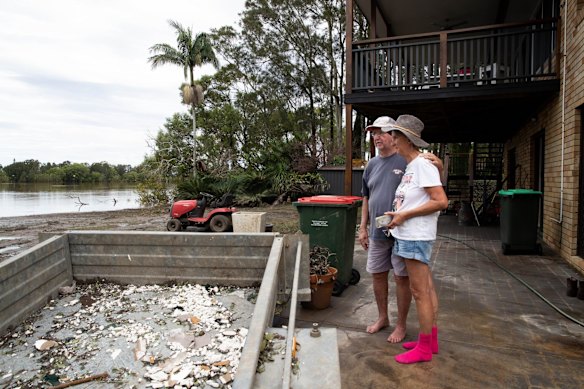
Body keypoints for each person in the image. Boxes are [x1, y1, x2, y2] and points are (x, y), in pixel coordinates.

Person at [358, 116, 442, 343]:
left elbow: (436, 192)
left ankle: (402, 325)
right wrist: (362, 227)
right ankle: (383, 317)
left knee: (406, 281)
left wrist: (440, 165)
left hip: (404, 233)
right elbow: (366, 197)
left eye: (383, 132)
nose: (378, 137)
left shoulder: (411, 160)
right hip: (379, 231)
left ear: (397, 137)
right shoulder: (372, 165)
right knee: (378, 275)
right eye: (373, 133)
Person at [385, 114, 448, 364]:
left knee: (419, 292)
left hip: (415, 236)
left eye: (396, 136)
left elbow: (441, 201)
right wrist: (398, 215)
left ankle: (423, 349)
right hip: (408, 234)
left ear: (408, 140)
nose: (392, 140)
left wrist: (404, 215)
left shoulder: (422, 165)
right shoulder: (412, 166)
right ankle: (430, 341)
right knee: (427, 289)